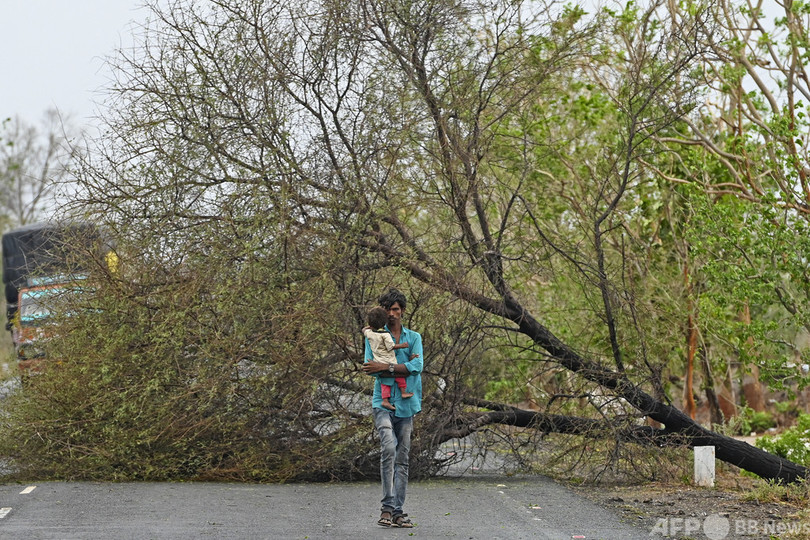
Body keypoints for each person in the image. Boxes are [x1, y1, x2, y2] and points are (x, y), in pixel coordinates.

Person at [362, 288, 423, 529]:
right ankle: (387, 507)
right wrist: (400, 368)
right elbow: (370, 367)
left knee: (402, 458)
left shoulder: (414, 337)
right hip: (383, 402)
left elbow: (417, 366)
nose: (391, 314)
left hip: (407, 405)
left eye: (395, 309)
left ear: (402, 311)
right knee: (388, 448)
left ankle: (397, 512)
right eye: (387, 309)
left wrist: (386, 367)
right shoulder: (375, 336)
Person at [362, 306, 415, 411]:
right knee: (400, 376)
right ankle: (403, 392)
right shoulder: (385, 335)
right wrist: (402, 345)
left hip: (378, 361)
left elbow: (363, 329)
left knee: (385, 382)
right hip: (389, 360)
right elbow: (391, 346)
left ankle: (385, 400)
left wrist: (370, 326)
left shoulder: (369, 334)